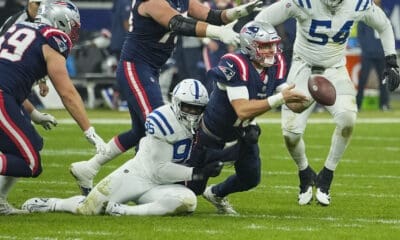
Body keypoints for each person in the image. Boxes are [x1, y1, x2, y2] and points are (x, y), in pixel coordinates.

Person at [70, 0, 264, 196]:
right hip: (136, 67)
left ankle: (88, 168)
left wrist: (236, 13)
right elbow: (178, 23)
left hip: (150, 68)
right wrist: (217, 32)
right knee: (159, 129)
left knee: (139, 131)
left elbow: (212, 16)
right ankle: (137, 184)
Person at [255, 0, 399, 206]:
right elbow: (261, 21)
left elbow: (383, 25)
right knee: (290, 134)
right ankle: (304, 172)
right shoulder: (302, 2)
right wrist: (270, 53)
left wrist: (391, 60)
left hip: (335, 69)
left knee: (348, 119)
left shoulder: (357, 4)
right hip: (303, 68)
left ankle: (327, 176)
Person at [22, 79, 223, 216]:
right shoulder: (164, 120)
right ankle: (54, 204)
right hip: (138, 176)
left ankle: (124, 211)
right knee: (89, 209)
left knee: (188, 201)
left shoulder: (201, 123)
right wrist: (197, 173)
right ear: (177, 103)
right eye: (188, 107)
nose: (192, 113)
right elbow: (160, 170)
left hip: (159, 187)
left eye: (198, 109)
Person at [186, 21, 309, 215]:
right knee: (189, 196)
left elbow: (292, 104)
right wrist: (280, 98)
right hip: (212, 137)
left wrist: (309, 98)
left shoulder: (277, 64)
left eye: (273, 44)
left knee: (251, 178)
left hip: (242, 133)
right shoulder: (234, 63)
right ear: (249, 45)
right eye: (265, 45)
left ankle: (216, 194)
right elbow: (242, 110)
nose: (272, 50)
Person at [0, 0, 107, 215]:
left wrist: (35, 113)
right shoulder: (53, 37)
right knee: (29, 163)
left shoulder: (19, 27)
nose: (74, 32)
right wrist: (89, 131)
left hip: (6, 95)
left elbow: (10, 80)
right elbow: (67, 92)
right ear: (61, 20)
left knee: (33, 143)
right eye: (73, 25)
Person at [0, 0, 53, 119]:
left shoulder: (45, 22)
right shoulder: (17, 21)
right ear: (29, 3)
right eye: (37, 3)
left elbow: (41, 51)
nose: (41, 8)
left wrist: (42, 79)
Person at [356, 0, 389, 111]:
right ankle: (358, 104)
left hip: (381, 53)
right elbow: (360, 34)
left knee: (383, 80)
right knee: (362, 80)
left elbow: (388, 32)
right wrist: (366, 49)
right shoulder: (364, 15)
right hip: (367, 54)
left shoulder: (385, 14)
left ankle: (384, 104)